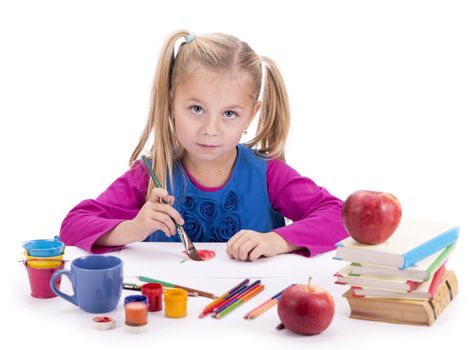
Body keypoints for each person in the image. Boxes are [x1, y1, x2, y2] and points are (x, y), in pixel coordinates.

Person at [60, 30, 348, 261]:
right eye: (196, 109)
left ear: (252, 113)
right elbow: (73, 225)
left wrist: (275, 241)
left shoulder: (268, 175)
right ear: (171, 102)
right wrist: (133, 228)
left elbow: (340, 216)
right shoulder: (151, 174)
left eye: (229, 114)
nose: (210, 130)